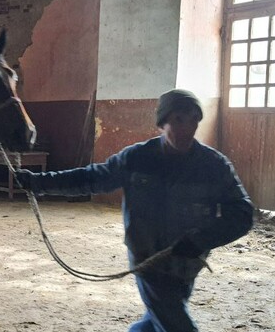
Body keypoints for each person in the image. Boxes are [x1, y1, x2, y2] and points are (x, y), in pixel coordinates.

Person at [16, 89, 254, 332]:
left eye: (194, 119)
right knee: (175, 323)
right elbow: (92, 178)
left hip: (186, 263)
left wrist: (202, 239)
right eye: (178, 119)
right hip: (148, 259)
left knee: (156, 321)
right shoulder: (137, 158)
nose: (187, 128)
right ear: (162, 123)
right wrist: (39, 182)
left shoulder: (214, 166)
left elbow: (243, 213)